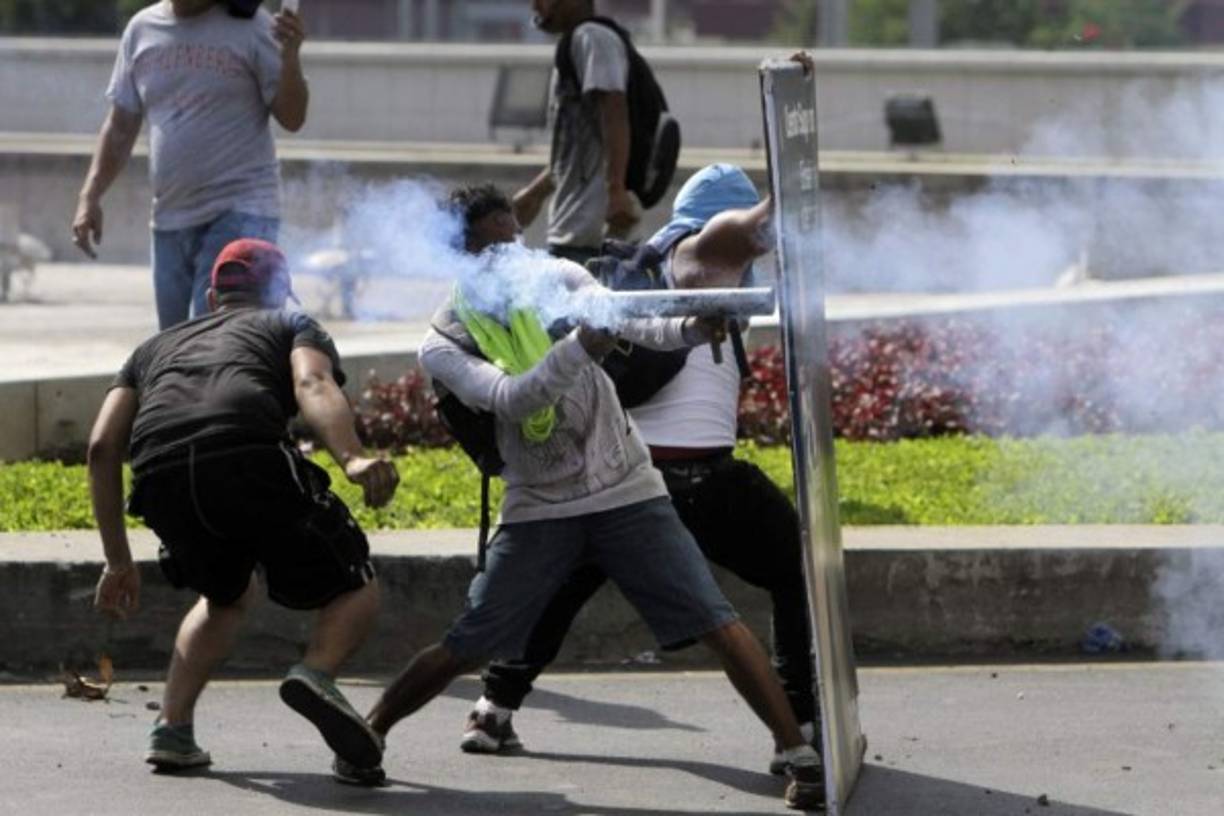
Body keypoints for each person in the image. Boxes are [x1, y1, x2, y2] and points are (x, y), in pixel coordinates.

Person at [342, 184, 823, 811]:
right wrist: (581, 346)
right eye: (492, 250)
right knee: (471, 641)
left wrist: (686, 325)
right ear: (459, 260)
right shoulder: (445, 341)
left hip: (627, 487)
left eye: (514, 240)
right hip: (542, 505)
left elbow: (630, 317)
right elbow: (515, 399)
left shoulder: (555, 274)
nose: (512, 258)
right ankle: (366, 736)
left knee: (716, 621)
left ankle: (796, 753)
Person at [461, 165, 822, 775]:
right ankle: (802, 723)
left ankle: (493, 709)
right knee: (793, 570)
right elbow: (740, 230)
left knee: (564, 589)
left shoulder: (665, 270)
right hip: (691, 480)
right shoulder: (705, 254)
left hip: (613, 475)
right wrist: (787, 185)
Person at [88, 238, 399, 774]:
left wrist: (118, 560)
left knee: (224, 595)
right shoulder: (289, 324)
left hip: (160, 475)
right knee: (356, 583)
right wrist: (350, 458)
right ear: (280, 291)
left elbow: (100, 448)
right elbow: (312, 380)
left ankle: (173, 729)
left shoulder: (152, 348)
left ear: (212, 296)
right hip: (244, 453)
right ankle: (315, 674)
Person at [72, 0, 309, 329]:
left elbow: (293, 117)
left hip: (240, 210)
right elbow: (121, 125)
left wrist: (290, 57)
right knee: (172, 343)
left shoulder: (255, 27)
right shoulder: (142, 30)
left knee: (207, 336)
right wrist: (90, 196)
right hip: (170, 217)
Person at [513, 0, 642, 265]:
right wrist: (536, 193)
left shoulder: (593, 39)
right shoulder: (573, 46)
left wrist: (616, 191)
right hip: (571, 230)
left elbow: (615, 112)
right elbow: (577, 146)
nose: (534, 6)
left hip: (590, 235)